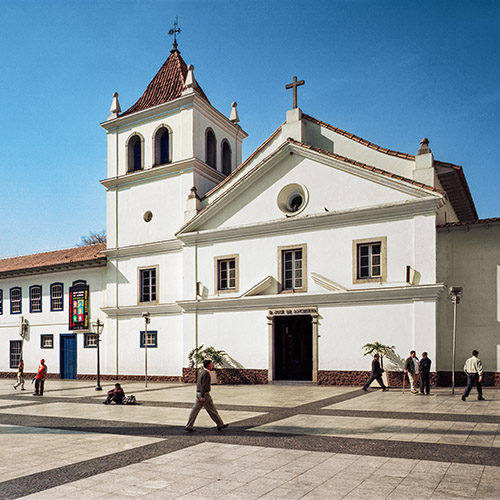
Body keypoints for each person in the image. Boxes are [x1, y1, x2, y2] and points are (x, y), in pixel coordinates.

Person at [185, 359, 229, 432]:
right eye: (211, 364)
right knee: (212, 410)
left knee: (194, 410)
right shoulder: (206, 373)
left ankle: (189, 425)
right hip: (204, 394)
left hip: (198, 393)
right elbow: (204, 385)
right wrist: (202, 396)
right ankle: (220, 424)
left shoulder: (201, 372)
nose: (212, 365)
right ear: (208, 365)